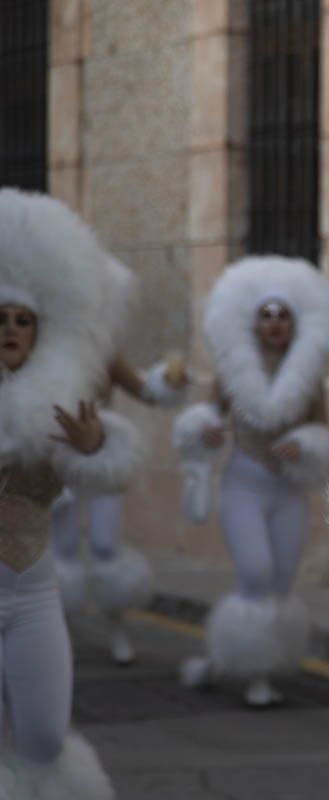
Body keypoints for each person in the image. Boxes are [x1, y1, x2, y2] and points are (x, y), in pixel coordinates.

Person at [0, 187, 138, 799]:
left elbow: (108, 464)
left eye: (22, 320)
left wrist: (91, 444)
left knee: (45, 737)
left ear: (39, 332)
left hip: (31, 594)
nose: (10, 330)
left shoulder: (58, 408)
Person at [173, 255, 329, 707]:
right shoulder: (233, 371)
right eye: (266, 315)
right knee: (255, 573)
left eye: (282, 316)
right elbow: (209, 416)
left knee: (283, 581)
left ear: (294, 323)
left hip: (287, 489)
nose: (274, 324)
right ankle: (247, 672)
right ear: (254, 321)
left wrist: (304, 445)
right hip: (243, 484)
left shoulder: (309, 378)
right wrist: (206, 429)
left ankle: (238, 663)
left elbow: (325, 432)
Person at [52, 303, 188, 665]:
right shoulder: (42, 354)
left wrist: (169, 381)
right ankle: (58, 636)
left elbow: (144, 391)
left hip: (102, 461)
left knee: (104, 546)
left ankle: (117, 628)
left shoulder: (105, 354)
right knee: (61, 551)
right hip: (58, 462)